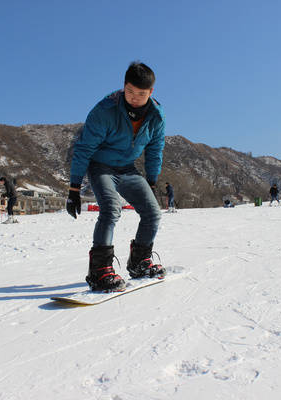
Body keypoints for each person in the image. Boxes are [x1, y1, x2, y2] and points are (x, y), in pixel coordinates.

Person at [66, 61, 166, 292]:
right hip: (100, 166)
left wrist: (151, 181)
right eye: (129, 91)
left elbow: (155, 149)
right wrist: (73, 188)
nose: (134, 97)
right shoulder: (105, 110)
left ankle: (140, 261)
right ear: (124, 86)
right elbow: (84, 149)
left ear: (151, 92)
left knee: (152, 212)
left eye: (141, 94)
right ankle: (100, 271)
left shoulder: (156, 116)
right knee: (111, 209)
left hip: (127, 168)